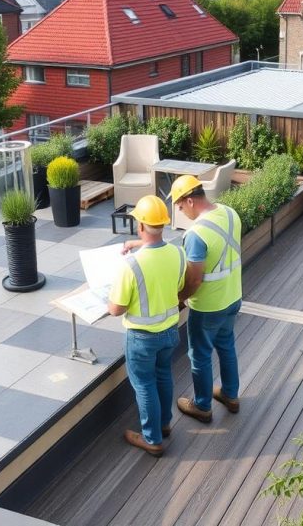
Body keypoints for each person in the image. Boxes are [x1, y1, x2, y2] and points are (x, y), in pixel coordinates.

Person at [108, 195, 186, 457]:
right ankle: (164, 424)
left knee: (144, 384)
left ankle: (152, 439)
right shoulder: (178, 252)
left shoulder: (130, 265)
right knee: (163, 375)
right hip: (170, 331)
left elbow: (115, 309)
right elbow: (175, 287)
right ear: (163, 224)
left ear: (140, 225)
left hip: (141, 338)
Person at [170, 175, 242, 424]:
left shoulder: (196, 234)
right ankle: (230, 395)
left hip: (208, 306)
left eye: (180, 206)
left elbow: (194, 280)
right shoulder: (230, 213)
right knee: (226, 345)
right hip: (233, 296)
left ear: (190, 200)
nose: (180, 211)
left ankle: (202, 406)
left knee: (199, 355)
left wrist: (179, 299)